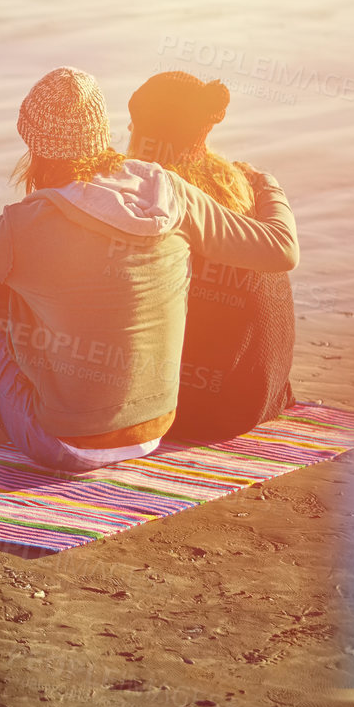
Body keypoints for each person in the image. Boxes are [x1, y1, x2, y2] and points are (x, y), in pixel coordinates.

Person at [0, 67, 297, 473]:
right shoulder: (166, 189)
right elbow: (281, 250)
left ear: (34, 146)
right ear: (103, 132)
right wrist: (268, 185)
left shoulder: (25, 225)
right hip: (155, 430)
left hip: (61, 445)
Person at [126, 71, 297, 441]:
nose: (126, 129)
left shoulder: (160, 200)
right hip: (265, 395)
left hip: (198, 412)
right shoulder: (238, 183)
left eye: (134, 124)